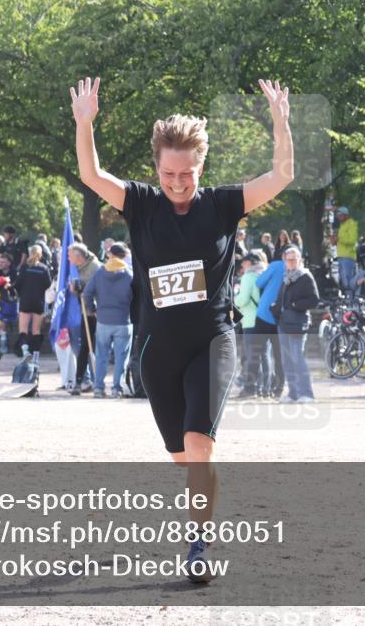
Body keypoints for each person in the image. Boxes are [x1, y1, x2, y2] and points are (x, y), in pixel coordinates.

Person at [70, 75, 293, 582]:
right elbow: (91, 173)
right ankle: (203, 499)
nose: (177, 182)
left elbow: (280, 176)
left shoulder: (221, 205)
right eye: (169, 172)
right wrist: (86, 124)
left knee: (200, 447)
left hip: (212, 339)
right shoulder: (142, 204)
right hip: (156, 348)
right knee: (183, 458)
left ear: (201, 167)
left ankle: (198, 546)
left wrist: (281, 122)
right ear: (157, 167)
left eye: (187, 173)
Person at [84, 242, 134, 398]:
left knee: (101, 356)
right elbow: (137, 296)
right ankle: (116, 388)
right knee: (121, 357)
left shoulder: (100, 272)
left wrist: (92, 310)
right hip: (124, 320)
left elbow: (87, 293)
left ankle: (98, 388)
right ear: (124, 255)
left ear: (110, 254)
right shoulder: (129, 274)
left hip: (103, 319)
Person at [275, 246, 319, 403]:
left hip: (298, 323)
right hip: (284, 323)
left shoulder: (305, 276)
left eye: (294, 259)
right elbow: (282, 298)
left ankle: (307, 393)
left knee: (297, 357)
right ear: (285, 261)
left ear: (299, 260)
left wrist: (294, 305)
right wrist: (276, 308)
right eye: (288, 259)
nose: (291, 262)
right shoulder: (286, 276)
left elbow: (314, 299)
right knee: (286, 360)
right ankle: (293, 393)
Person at [68, 243, 101, 395]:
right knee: (84, 348)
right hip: (85, 312)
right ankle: (79, 381)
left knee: (97, 347)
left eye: (70, 256)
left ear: (79, 257)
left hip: (96, 313)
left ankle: (98, 382)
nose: (68, 258)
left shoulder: (95, 267)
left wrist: (81, 287)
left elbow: (97, 289)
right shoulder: (79, 268)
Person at [233, 252, 266, 399]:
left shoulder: (248, 277)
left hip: (250, 321)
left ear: (250, 263)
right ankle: (264, 387)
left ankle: (249, 389)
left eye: (244, 262)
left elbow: (243, 300)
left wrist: (235, 299)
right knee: (263, 356)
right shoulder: (263, 274)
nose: (242, 265)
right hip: (264, 320)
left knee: (251, 356)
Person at [254, 252, 286, 399]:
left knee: (262, 353)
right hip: (282, 317)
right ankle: (279, 388)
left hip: (265, 314)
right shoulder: (298, 269)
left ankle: (264, 388)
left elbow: (259, 282)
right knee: (279, 356)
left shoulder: (276, 265)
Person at [13, 245, 52, 356]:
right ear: (41, 255)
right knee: (36, 330)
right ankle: (36, 355)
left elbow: (18, 284)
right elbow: (48, 286)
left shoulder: (25, 267)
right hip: (38, 302)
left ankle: (25, 351)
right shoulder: (44, 269)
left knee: (23, 329)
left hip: (25, 300)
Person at [331, 207, 358, 292]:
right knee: (344, 281)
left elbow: (352, 240)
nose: (338, 217)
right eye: (338, 216)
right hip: (341, 257)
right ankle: (348, 299)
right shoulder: (342, 226)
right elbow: (341, 241)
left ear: (346, 215)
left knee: (348, 281)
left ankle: (352, 300)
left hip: (348, 257)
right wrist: (334, 241)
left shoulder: (351, 224)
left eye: (340, 215)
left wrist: (339, 239)